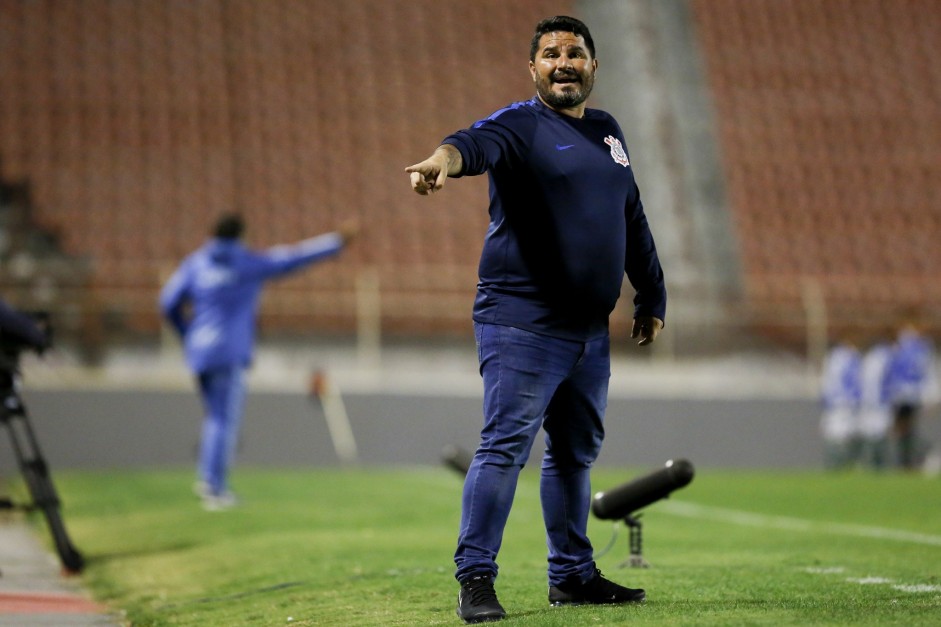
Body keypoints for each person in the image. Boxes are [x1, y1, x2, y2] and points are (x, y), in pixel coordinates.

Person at [405, 15, 666, 623]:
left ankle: (571, 576)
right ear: (533, 69)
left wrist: (651, 295)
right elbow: (471, 143)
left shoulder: (607, 132)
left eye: (575, 53)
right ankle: (475, 578)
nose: (564, 62)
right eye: (550, 54)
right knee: (503, 448)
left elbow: (632, 216)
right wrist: (442, 160)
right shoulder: (520, 125)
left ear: (595, 65)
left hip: (588, 331)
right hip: (522, 320)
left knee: (574, 453)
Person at [159, 213, 357, 510]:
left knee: (214, 417)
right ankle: (213, 487)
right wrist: (335, 242)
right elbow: (293, 257)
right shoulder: (247, 263)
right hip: (229, 353)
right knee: (223, 420)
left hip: (200, 352)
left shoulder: (195, 263)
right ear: (240, 236)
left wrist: (188, 333)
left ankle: (209, 478)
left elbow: (167, 302)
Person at [886, 316, 939, 470]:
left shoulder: (902, 347)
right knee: (905, 430)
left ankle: (910, 461)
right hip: (909, 395)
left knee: (905, 430)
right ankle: (909, 461)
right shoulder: (921, 346)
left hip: (905, 395)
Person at [819, 337, 862, 470]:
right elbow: (856, 381)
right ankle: (845, 464)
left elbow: (827, 382)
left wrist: (825, 399)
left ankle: (837, 465)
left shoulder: (832, 358)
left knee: (834, 433)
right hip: (847, 403)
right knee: (847, 433)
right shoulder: (851, 358)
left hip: (835, 403)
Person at [857, 332, 894, 469]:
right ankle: (874, 465)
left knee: (873, 433)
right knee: (877, 433)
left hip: (871, 402)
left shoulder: (870, 359)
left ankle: (872, 466)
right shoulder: (882, 358)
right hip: (878, 403)